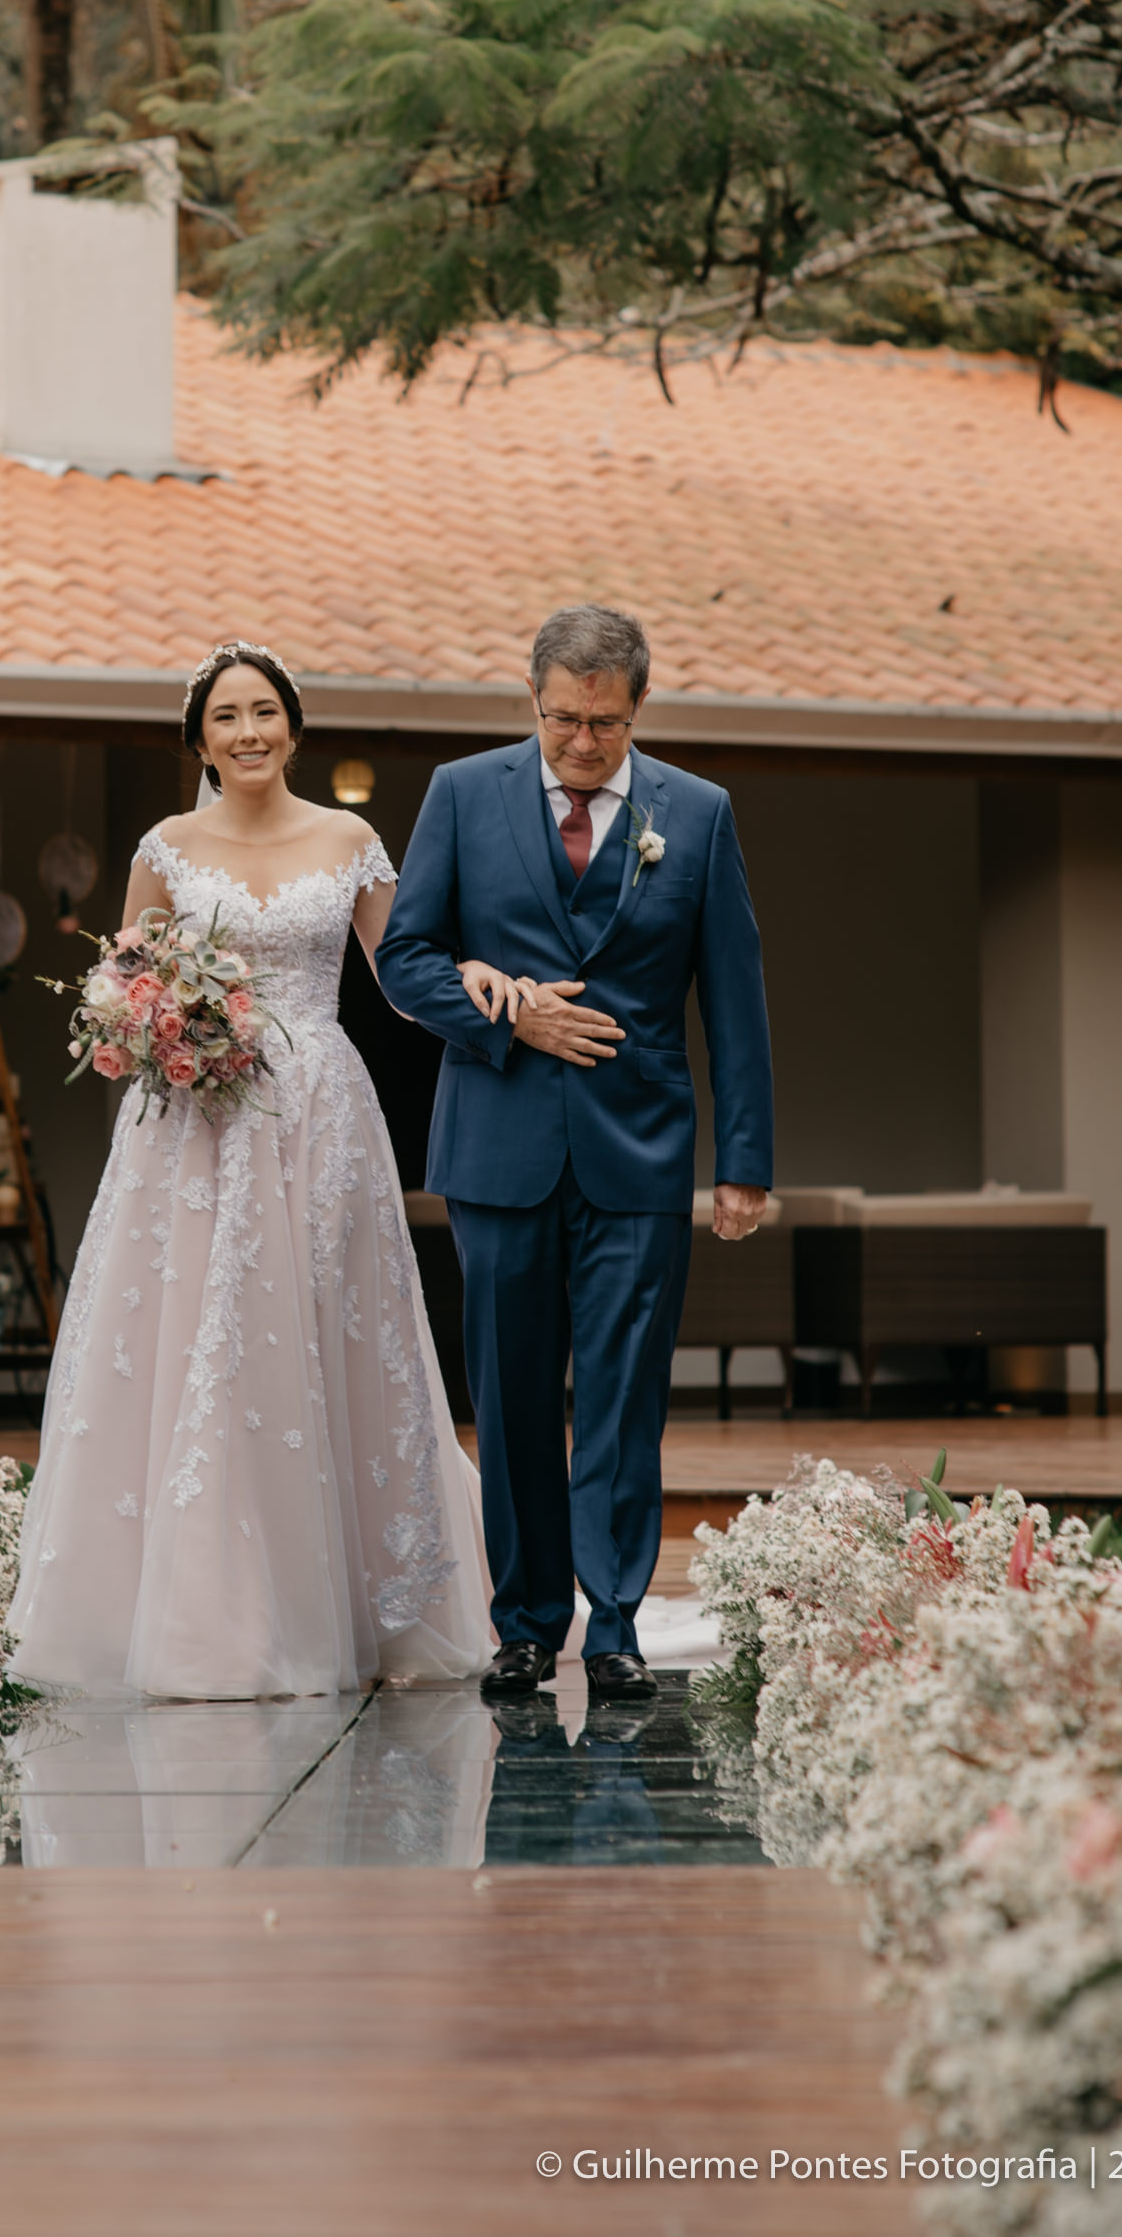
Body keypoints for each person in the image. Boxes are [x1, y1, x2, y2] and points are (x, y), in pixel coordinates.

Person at [6, 643, 496, 1701]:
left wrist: (484, 985)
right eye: (225, 717)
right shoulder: (166, 846)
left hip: (320, 1111)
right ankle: (208, 1614)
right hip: (196, 1121)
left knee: (320, 1327)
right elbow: (124, 978)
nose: (246, 732)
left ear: (293, 727)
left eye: (263, 711)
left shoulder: (349, 839)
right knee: (199, 1331)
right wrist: (151, 1020)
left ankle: (361, 1602)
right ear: (199, 740)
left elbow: (402, 974)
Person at [375, 603, 773, 1706]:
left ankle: (615, 1626)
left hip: (639, 1150)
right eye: (560, 720)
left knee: (621, 1396)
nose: (581, 743)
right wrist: (503, 1013)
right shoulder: (462, 793)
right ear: (532, 700)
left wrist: (743, 1160)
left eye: (602, 723)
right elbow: (404, 959)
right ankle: (523, 1624)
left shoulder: (697, 814)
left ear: (638, 706)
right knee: (509, 1398)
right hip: (496, 1146)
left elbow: (732, 995)